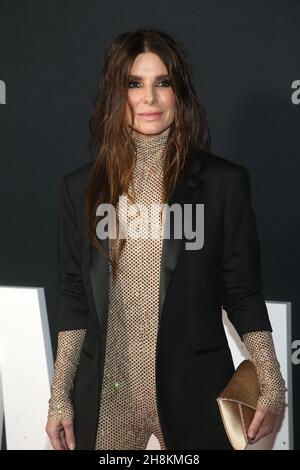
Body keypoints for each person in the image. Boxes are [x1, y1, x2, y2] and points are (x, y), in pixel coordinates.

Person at [45, 28, 286, 450]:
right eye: (134, 84)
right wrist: (59, 398)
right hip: (109, 396)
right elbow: (73, 298)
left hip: (194, 390)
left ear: (180, 92)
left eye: (163, 83)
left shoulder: (222, 185)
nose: (150, 99)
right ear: (115, 95)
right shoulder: (80, 189)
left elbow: (242, 292)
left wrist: (271, 380)